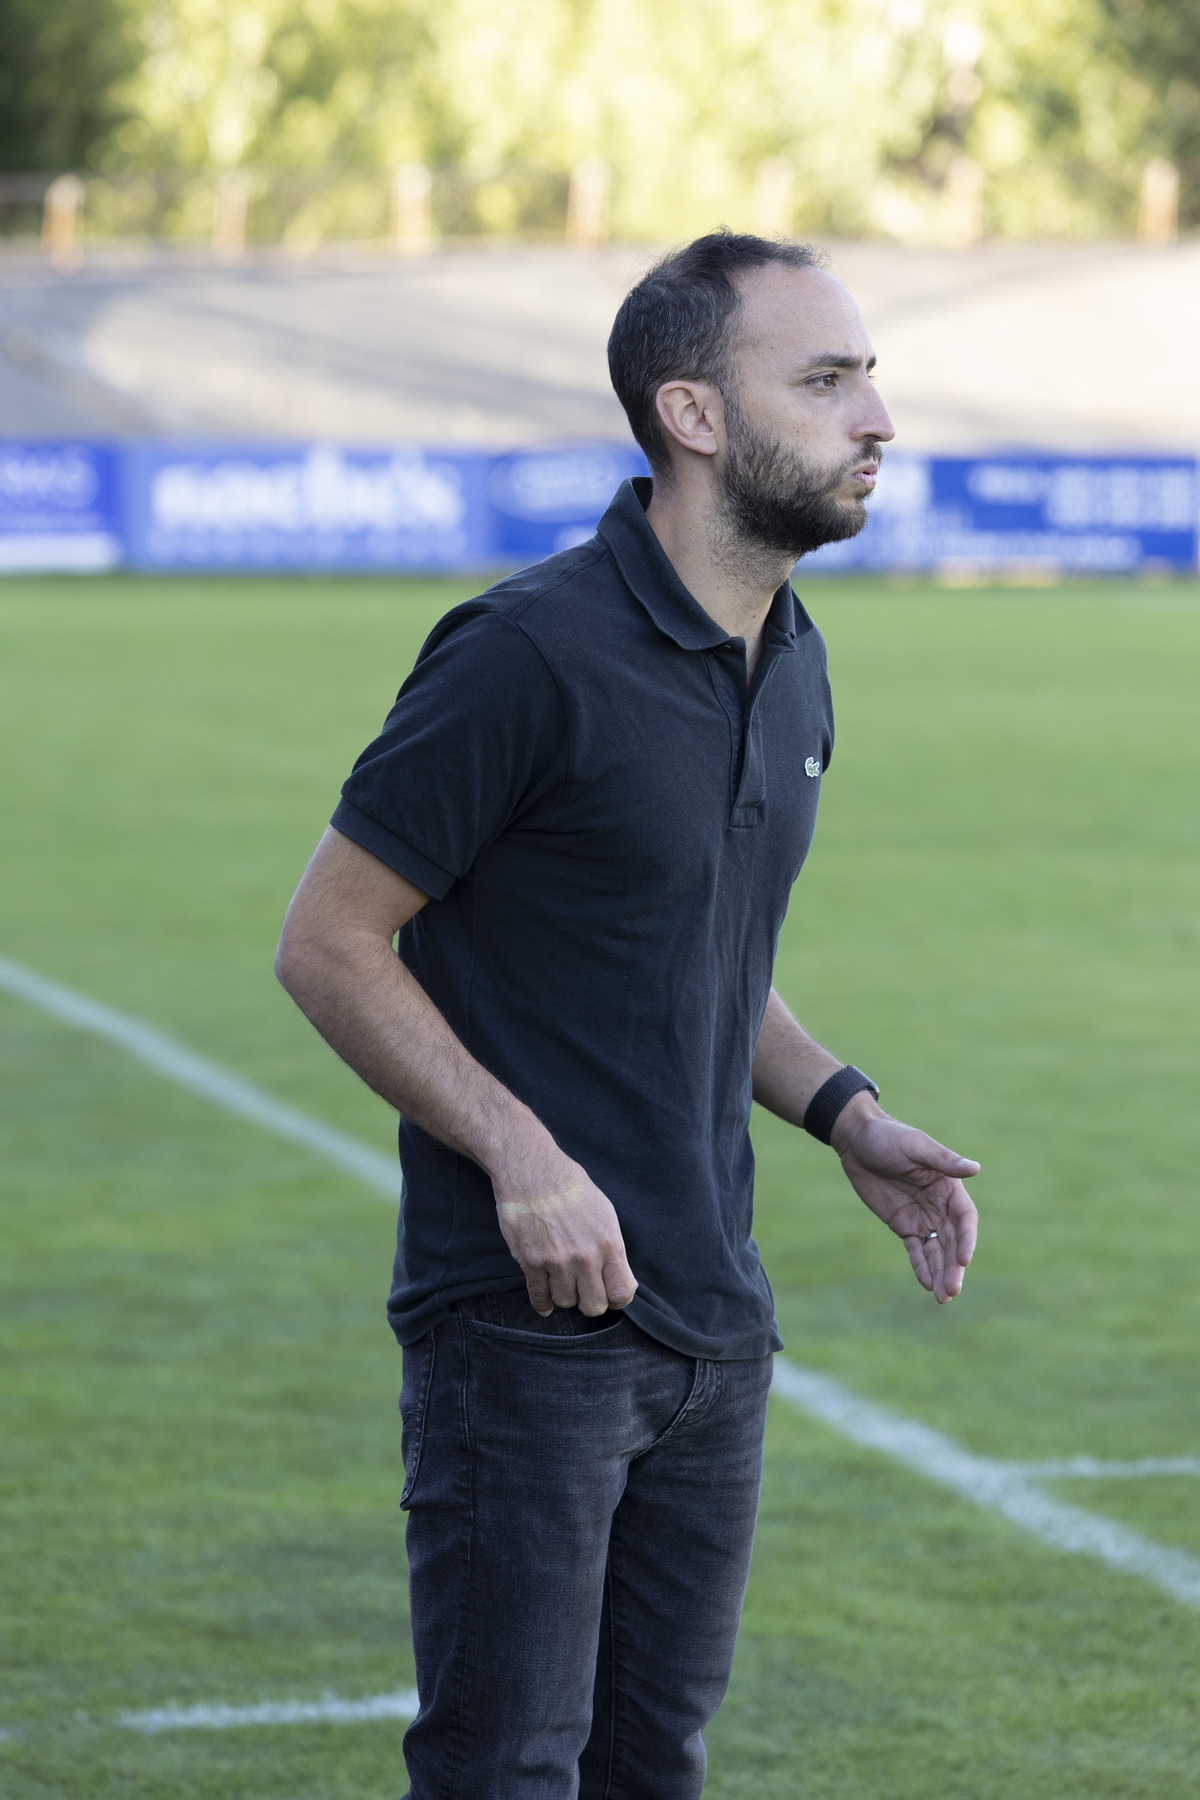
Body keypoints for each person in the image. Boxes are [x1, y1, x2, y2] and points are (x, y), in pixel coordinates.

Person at [274, 230, 980, 1800]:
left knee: (652, 1764)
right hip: (528, 1335)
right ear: (695, 416)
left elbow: (702, 958)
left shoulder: (791, 662)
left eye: (870, 375)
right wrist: (519, 1153)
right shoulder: (524, 652)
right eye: (826, 380)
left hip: (718, 1319)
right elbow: (328, 942)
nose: (878, 419)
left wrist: (846, 1112)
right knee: (508, 1770)